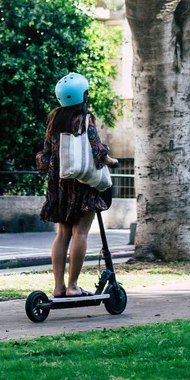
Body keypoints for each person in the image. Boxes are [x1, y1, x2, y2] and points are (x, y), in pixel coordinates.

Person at [36, 72, 118, 297]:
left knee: (62, 234)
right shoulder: (84, 118)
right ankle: (73, 286)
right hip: (83, 185)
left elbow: (47, 153)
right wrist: (111, 160)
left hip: (60, 186)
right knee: (80, 233)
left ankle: (59, 287)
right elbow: (96, 149)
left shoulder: (55, 120)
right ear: (83, 95)